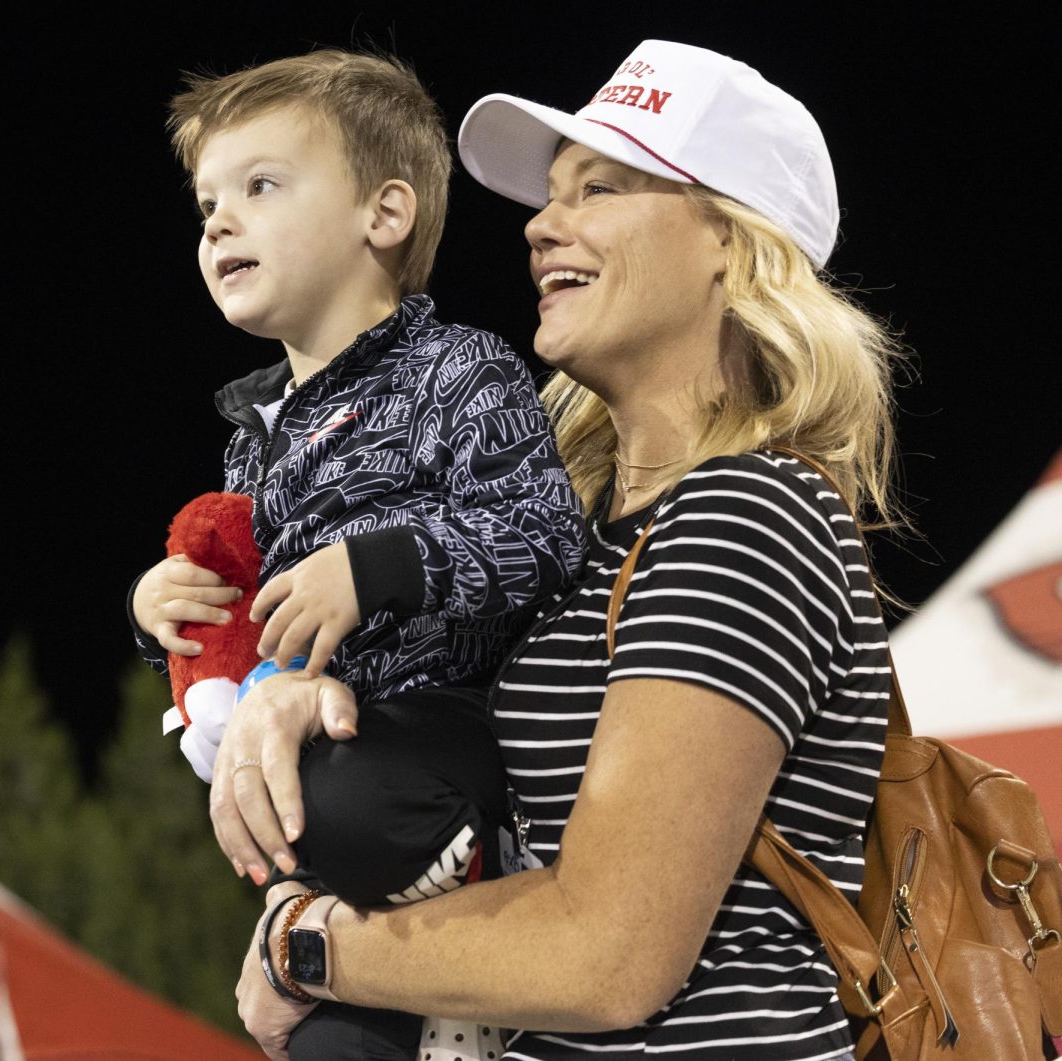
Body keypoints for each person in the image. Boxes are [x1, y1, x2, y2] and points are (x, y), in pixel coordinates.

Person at [223, 39, 902, 1061]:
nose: (543, 224)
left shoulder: (746, 515)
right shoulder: (577, 542)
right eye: (550, 195)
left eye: (601, 187)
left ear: (729, 238)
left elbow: (606, 951)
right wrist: (299, 690)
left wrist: (309, 953)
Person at [126, 49, 585, 1060]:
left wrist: (381, 564)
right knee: (323, 1036)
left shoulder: (458, 369)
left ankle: (480, 893)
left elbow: (544, 533)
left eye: (261, 185)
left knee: (342, 801)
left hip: (450, 730)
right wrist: (164, 617)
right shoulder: (256, 436)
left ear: (384, 215)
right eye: (208, 201)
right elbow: (247, 623)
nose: (219, 221)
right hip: (322, 755)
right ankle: (397, 965)